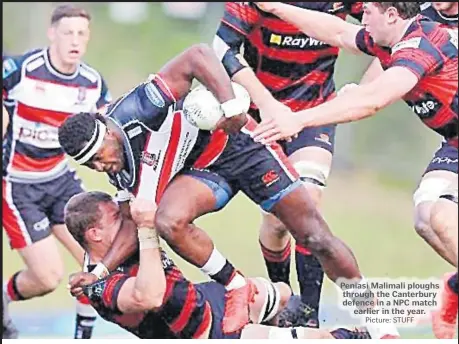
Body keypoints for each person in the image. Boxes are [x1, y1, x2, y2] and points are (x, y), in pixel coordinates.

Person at [57, 43, 399, 339]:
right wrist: (100, 271)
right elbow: (135, 223)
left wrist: (232, 106)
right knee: (167, 220)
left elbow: (198, 56)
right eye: (92, 167)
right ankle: (237, 286)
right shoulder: (119, 173)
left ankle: (380, 322)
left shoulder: (138, 108)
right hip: (203, 171)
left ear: (108, 136)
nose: (103, 168)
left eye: (101, 158)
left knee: (314, 236)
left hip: (237, 146)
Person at [251, 2, 458, 338]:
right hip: (454, 143)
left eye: (368, 12)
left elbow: (372, 101)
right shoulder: (390, 37)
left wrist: (298, 118)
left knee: (444, 219)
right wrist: (276, 7)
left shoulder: (420, 45)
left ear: (392, 15)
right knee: (427, 217)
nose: (361, 17)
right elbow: (335, 31)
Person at [212, 2, 364, 327]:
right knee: (278, 220)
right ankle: (283, 296)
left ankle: (309, 313)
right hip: (263, 116)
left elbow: (387, 40)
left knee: (308, 200)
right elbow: (222, 46)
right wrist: (267, 105)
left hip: (313, 113)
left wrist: (364, 91)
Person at [65, 191, 373, 340]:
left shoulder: (114, 248)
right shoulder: (99, 286)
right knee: (321, 339)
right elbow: (151, 295)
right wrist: (147, 229)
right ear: (95, 234)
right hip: (205, 333)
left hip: (206, 299)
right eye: (118, 218)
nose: (129, 219)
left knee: (282, 296)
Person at [2, 4, 111, 339]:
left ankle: (83, 336)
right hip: (18, 185)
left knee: (99, 258)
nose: (74, 40)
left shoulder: (93, 84)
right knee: (47, 278)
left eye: (81, 33)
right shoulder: (21, 70)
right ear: (52, 34)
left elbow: (107, 133)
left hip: (61, 180)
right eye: (67, 32)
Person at [353, 1, 458, 268]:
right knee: (426, 219)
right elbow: (390, 63)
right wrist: (357, 97)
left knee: (444, 217)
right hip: (453, 137)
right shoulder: (419, 17)